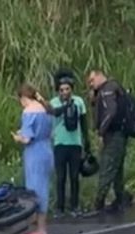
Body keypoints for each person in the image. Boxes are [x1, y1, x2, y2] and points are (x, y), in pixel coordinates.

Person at [12, 83, 54, 234]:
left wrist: (19, 137)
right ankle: (39, 225)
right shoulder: (46, 109)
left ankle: (41, 229)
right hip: (46, 150)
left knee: (35, 190)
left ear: (23, 98)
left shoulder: (29, 112)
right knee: (42, 187)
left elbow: (27, 138)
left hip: (35, 153)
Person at [87, 69, 130, 213]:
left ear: (100, 76)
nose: (90, 84)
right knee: (117, 169)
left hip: (113, 135)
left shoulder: (108, 90)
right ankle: (120, 199)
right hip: (120, 135)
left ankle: (98, 203)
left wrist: (101, 132)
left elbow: (110, 111)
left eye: (92, 80)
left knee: (107, 167)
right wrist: (93, 100)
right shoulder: (113, 88)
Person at [49, 70, 90, 217]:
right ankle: (59, 207)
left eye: (67, 89)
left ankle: (74, 205)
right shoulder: (54, 103)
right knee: (60, 177)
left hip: (75, 144)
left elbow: (84, 124)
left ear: (72, 89)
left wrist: (87, 143)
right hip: (60, 144)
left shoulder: (79, 102)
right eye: (61, 90)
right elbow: (54, 113)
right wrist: (66, 105)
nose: (64, 92)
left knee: (74, 177)